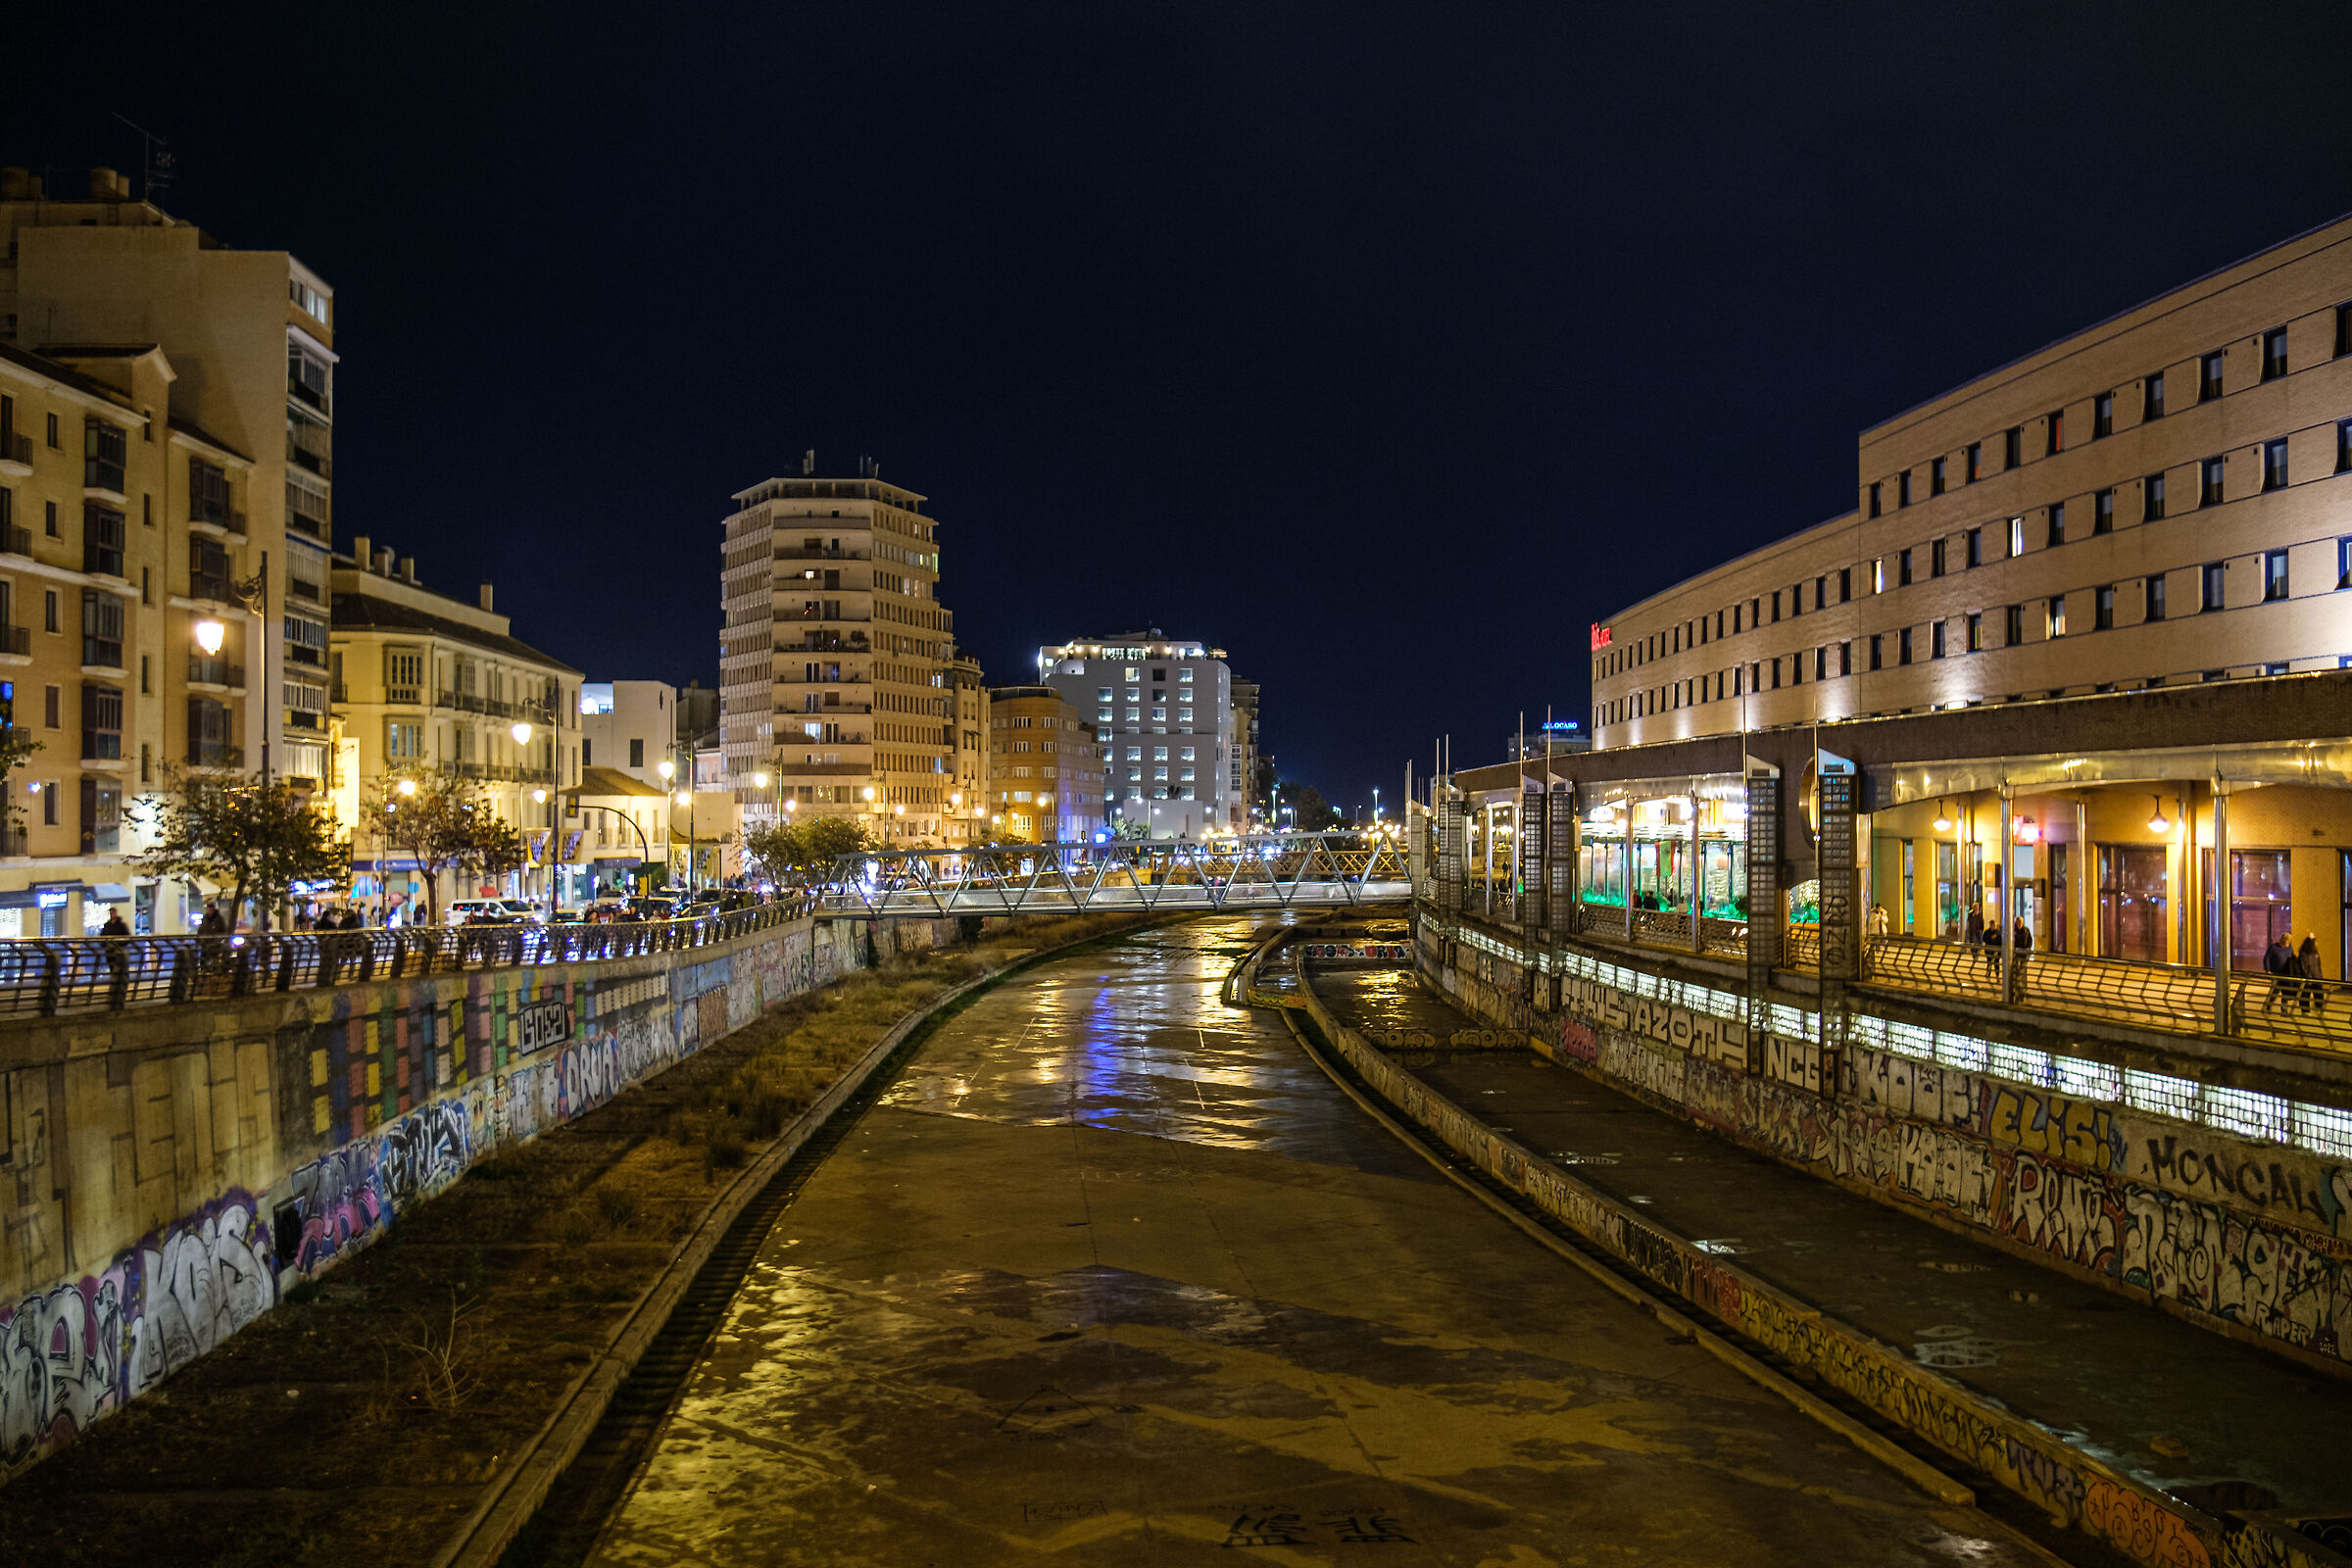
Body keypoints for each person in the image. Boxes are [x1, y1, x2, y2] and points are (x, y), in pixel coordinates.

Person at [2263, 932, 2295, 1012]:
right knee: (2275, 991)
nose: (2287, 943)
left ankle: (2284, 1009)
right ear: (2282, 940)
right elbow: (2267, 958)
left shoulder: (2290, 949)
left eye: (2289, 941)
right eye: (2286, 941)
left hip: (2286, 974)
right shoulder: (2273, 948)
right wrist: (2268, 969)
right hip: (2276, 973)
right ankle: (2269, 1005)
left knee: (2285, 992)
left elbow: (2292, 959)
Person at [2298, 933, 2324, 1014]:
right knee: (2305, 994)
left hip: (2317, 977)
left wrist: (2320, 975)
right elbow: (2303, 967)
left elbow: (2318, 965)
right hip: (2308, 978)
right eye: (2314, 941)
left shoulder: (2315, 953)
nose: (2316, 943)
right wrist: (2307, 977)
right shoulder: (2304, 954)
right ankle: (2305, 1011)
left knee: (2319, 994)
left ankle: (2319, 1009)